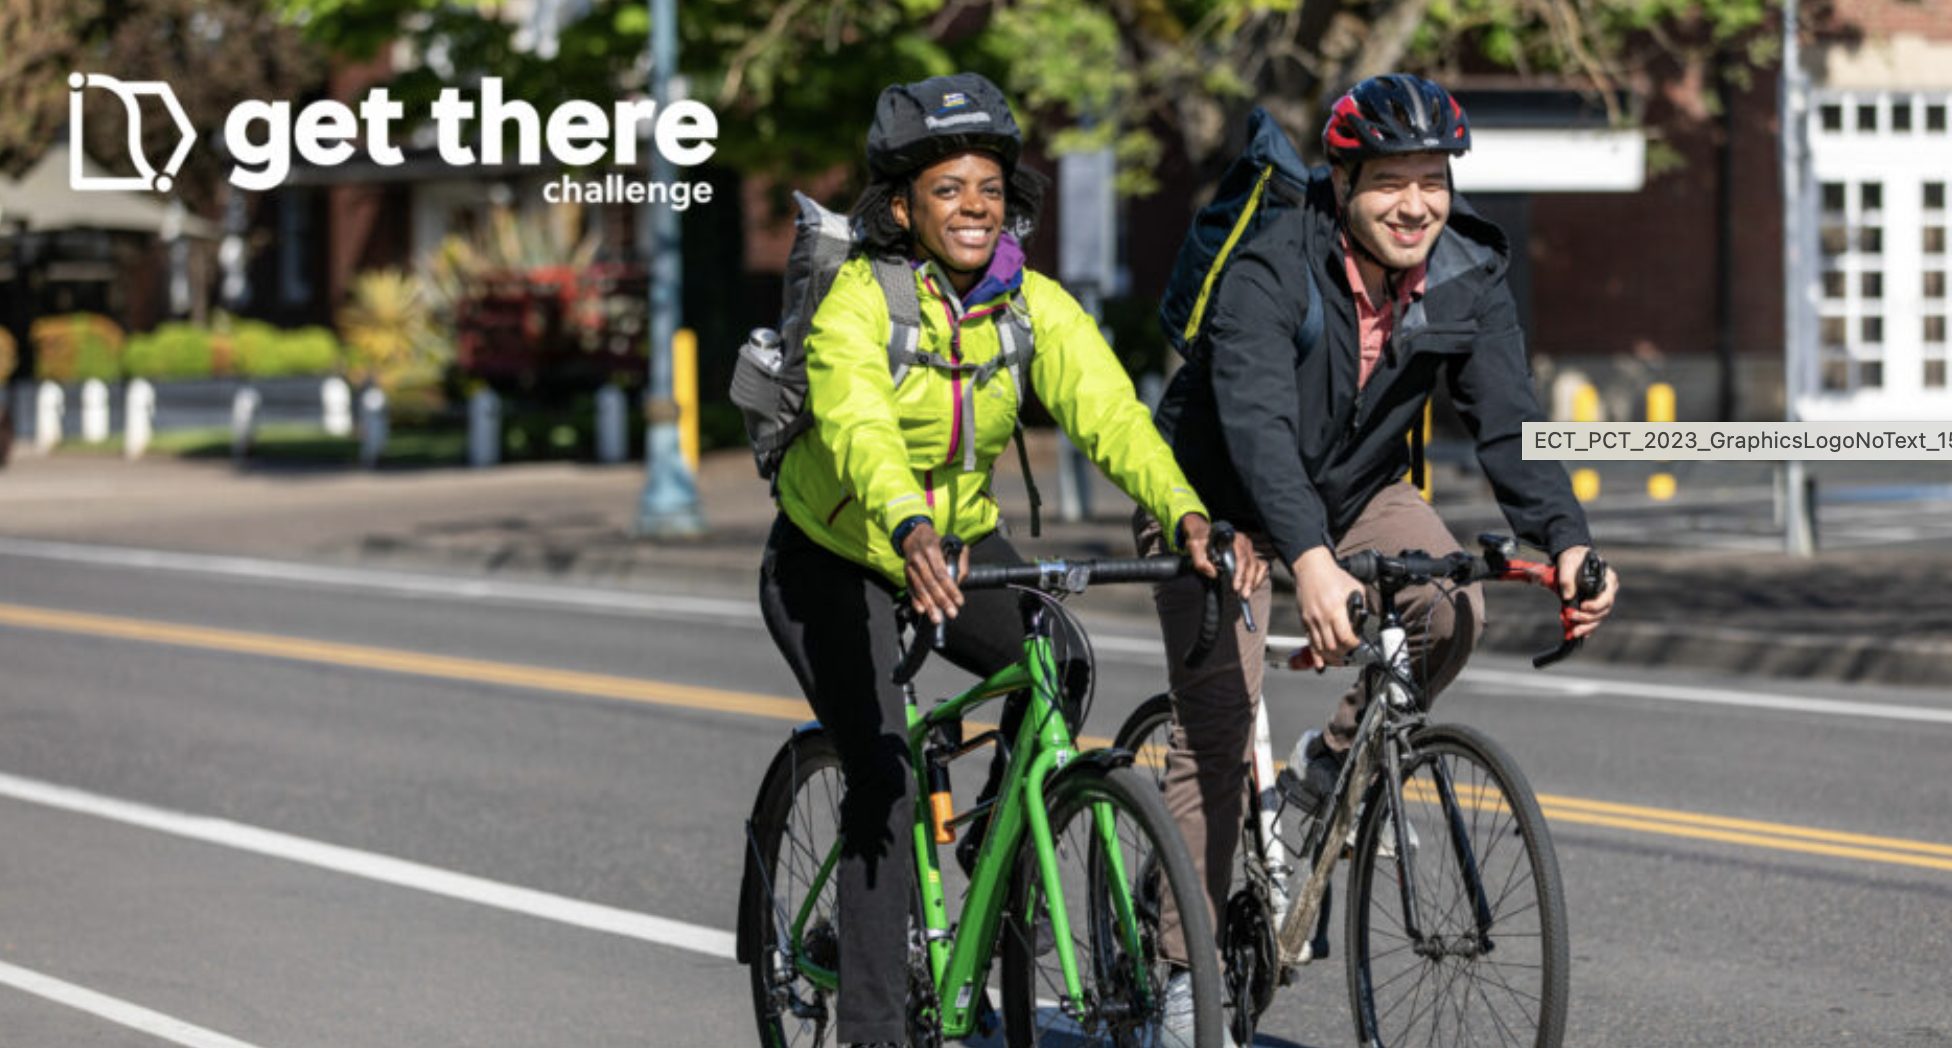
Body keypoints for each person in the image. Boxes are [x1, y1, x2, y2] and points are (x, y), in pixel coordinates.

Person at [757, 71, 1258, 1048]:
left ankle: (992, 853)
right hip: (838, 550)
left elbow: (1112, 415)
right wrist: (905, 526)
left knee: (1058, 662)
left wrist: (1185, 512)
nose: (974, 207)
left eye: (989, 188)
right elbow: (858, 428)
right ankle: (871, 1026)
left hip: (959, 540)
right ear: (900, 206)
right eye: (948, 189)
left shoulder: (1029, 306)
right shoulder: (858, 302)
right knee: (885, 777)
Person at [1138, 73, 1622, 985]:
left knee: (1452, 603)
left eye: (1433, 180)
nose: (1416, 206)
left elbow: (1511, 424)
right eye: (1391, 182)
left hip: (1355, 487)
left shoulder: (1466, 274)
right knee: (1216, 729)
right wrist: (1312, 563)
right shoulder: (1271, 268)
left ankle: (1320, 779)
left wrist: (1567, 540)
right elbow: (1256, 430)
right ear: (1344, 181)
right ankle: (1178, 984)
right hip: (1214, 500)